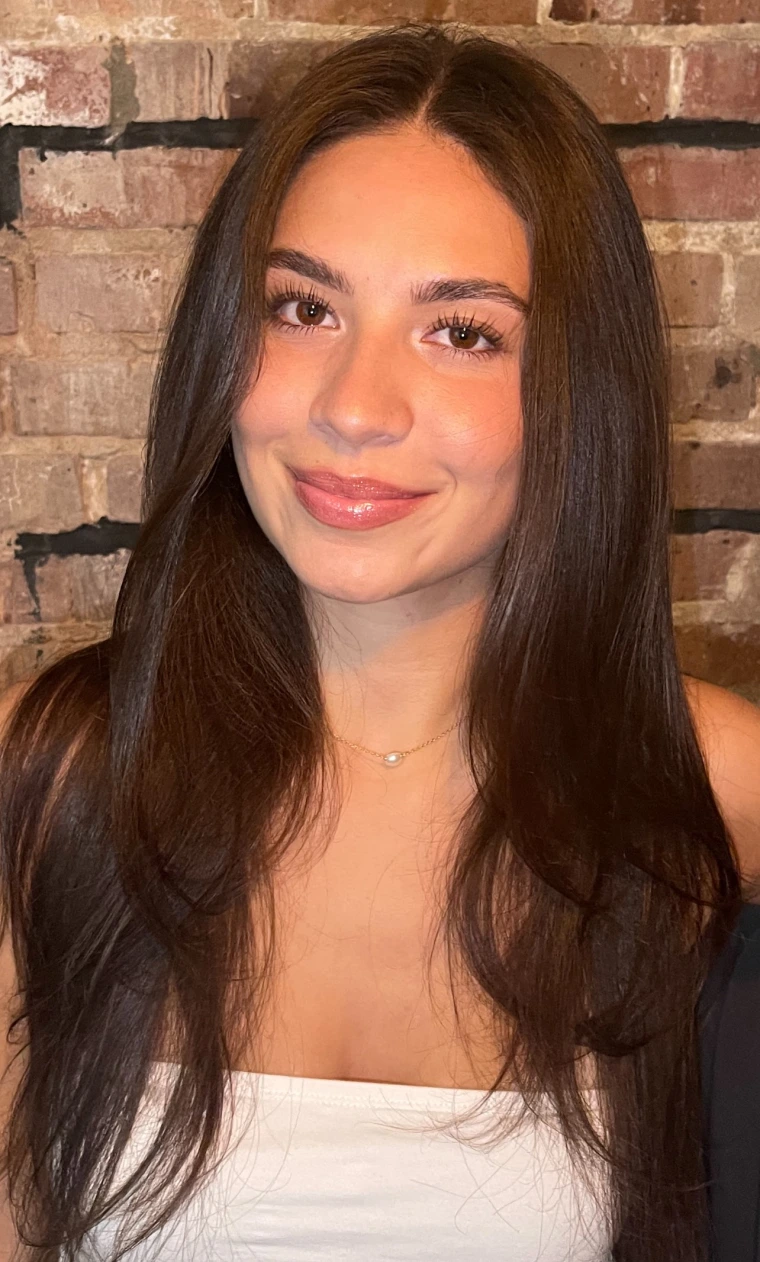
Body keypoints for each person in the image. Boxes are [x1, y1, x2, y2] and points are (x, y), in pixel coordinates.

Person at [0, 18, 758, 1262]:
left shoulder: (697, 779)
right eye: (301, 308)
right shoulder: (55, 770)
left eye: (461, 330)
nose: (353, 407)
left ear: (575, 383)